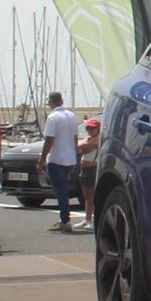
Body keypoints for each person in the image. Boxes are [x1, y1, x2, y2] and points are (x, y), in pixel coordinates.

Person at [34, 92, 81, 233]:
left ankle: (65, 220)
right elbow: (75, 138)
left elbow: (49, 140)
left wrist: (42, 160)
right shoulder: (72, 116)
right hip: (68, 158)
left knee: (59, 190)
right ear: (62, 101)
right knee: (63, 189)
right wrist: (74, 156)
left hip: (56, 159)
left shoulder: (53, 117)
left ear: (51, 102)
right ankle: (64, 219)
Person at [75, 114, 102, 230]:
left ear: (98, 129)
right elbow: (79, 145)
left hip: (93, 168)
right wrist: (85, 146)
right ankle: (87, 219)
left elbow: (88, 146)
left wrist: (86, 146)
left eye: (92, 128)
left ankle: (96, 219)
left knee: (94, 195)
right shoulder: (88, 139)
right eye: (88, 128)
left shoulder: (99, 139)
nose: (90, 130)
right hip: (84, 169)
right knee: (87, 196)